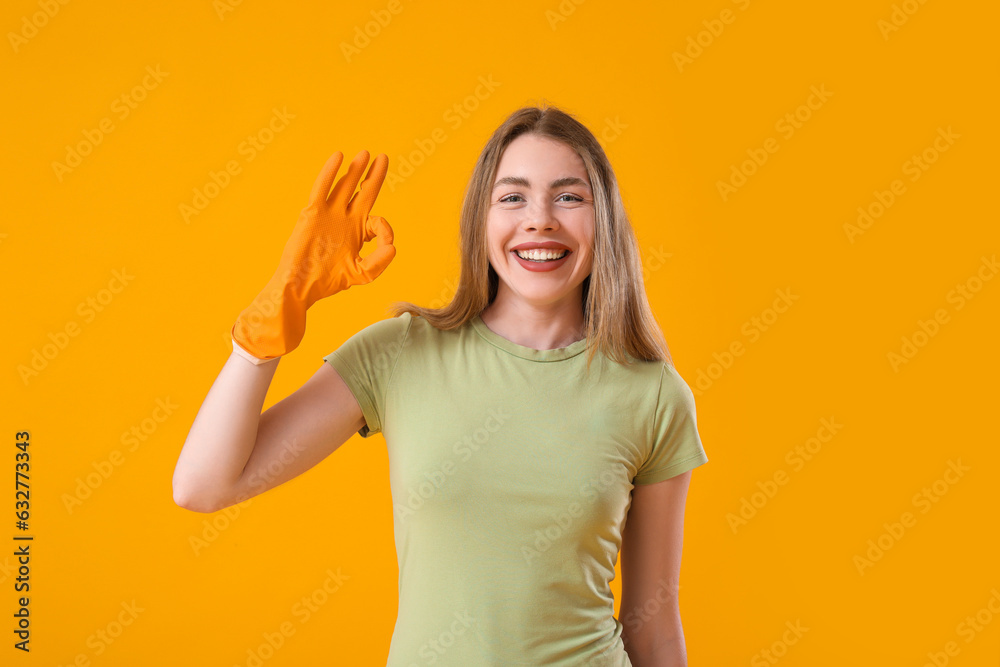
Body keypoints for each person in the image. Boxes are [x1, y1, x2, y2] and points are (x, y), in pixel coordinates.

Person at [172, 104, 709, 667]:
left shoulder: (654, 394)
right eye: (512, 197)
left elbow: (653, 627)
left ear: (605, 220)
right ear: (481, 219)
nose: (540, 220)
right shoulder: (402, 352)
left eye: (570, 197)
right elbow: (204, 486)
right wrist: (263, 327)